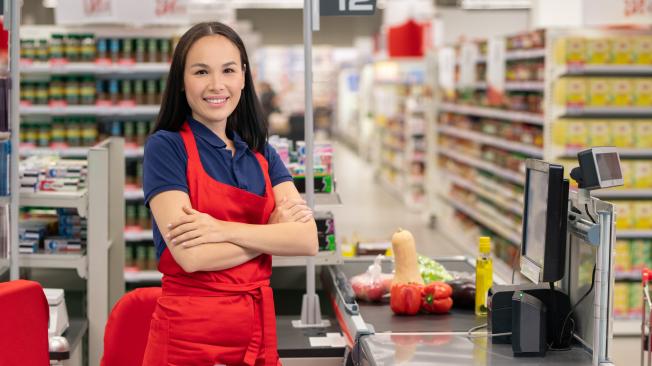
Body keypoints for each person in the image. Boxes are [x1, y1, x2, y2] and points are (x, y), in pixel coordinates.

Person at [141, 21, 318, 366]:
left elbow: (308, 240)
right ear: (181, 80)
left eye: (228, 70)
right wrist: (272, 232)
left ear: (243, 77)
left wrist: (220, 230)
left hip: (257, 336)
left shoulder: (261, 152)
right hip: (186, 342)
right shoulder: (166, 148)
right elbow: (192, 257)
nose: (216, 85)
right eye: (201, 71)